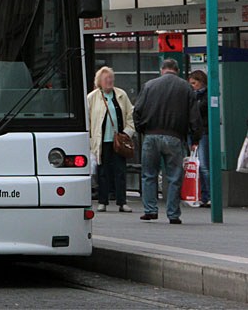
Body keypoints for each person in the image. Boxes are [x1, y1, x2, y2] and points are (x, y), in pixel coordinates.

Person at [133, 58, 203, 224]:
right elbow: (195, 117)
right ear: (176, 70)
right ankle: (173, 214)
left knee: (149, 174)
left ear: (162, 69)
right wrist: (195, 137)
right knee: (174, 177)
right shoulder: (186, 87)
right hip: (175, 137)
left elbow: (137, 111)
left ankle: (150, 210)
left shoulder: (149, 85)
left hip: (151, 135)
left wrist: (141, 129)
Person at [88, 67, 135, 213]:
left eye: (111, 78)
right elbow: (88, 121)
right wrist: (90, 141)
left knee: (120, 171)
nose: (109, 81)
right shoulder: (92, 97)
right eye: (106, 78)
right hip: (101, 141)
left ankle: (122, 202)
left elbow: (130, 116)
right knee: (103, 172)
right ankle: (103, 201)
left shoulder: (121, 95)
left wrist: (127, 132)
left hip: (118, 142)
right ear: (99, 82)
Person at [188, 70, 211, 208]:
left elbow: (198, 109)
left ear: (201, 82)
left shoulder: (205, 96)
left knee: (203, 165)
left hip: (203, 132)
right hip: (192, 132)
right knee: (195, 165)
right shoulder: (191, 96)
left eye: (194, 83)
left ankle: (208, 195)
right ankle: (201, 195)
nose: (192, 86)